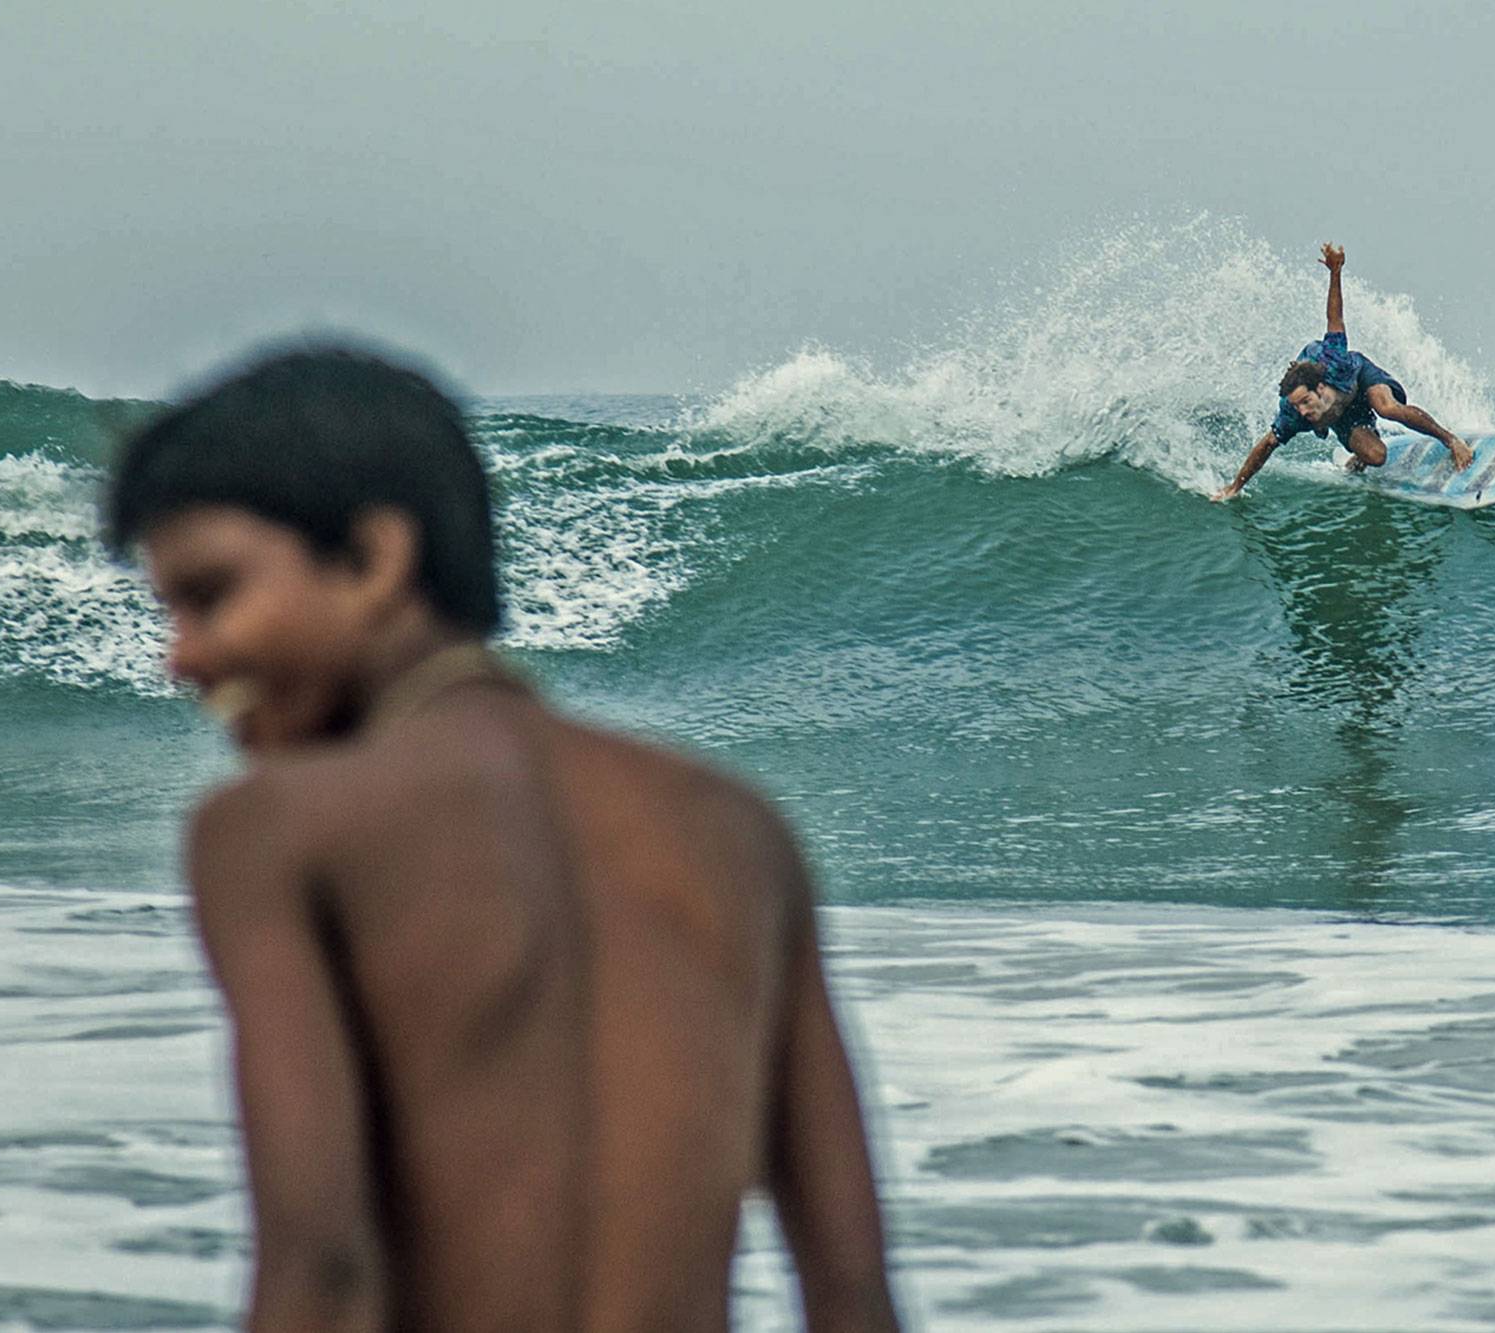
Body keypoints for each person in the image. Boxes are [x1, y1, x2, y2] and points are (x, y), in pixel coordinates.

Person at [104, 347, 900, 1333]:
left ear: (372, 561)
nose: (180, 655)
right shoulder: (732, 829)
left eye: (210, 594)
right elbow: (852, 1294)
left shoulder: (276, 830)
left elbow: (322, 1268)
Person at [1213, 244, 1474, 501]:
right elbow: (1266, 444)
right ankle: (1359, 450)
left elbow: (1334, 319)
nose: (1302, 411)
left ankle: (1450, 440)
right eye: (1298, 405)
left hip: (1360, 378)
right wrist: (1235, 486)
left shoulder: (1333, 361)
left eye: (1306, 401)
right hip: (1345, 413)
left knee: (1387, 408)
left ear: (1321, 388)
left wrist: (1335, 271)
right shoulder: (1293, 414)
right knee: (1376, 457)